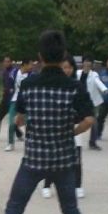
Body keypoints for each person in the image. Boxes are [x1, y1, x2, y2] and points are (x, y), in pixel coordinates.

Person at [0, 31, 96, 214]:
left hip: (34, 160)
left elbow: (19, 119)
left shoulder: (30, 85)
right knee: (71, 211)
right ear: (63, 55)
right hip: (64, 160)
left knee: (14, 210)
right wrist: (71, 132)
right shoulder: (74, 87)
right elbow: (89, 120)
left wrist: (24, 122)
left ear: (39, 56)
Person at [43, 56, 85, 199]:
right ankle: (47, 185)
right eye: (64, 67)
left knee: (77, 157)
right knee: (53, 157)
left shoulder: (77, 86)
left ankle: (78, 185)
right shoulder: (53, 85)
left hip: (75, 125)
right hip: (57, 126)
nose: (66, 70)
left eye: (69, 67)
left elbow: (84, 108)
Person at [77, 56, 108, 150]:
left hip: (90, 102)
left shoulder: (94, 74)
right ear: (83, 63)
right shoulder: (77, 73)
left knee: (94, 123)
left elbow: (98, 82)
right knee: (73, 121)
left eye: (89, 62)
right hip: (78, 101)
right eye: (85, 61)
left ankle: (93, 142)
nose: (87, 64)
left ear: (91, 64)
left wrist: (104, 89)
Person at [5, 59, 35, 152]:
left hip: (27, 101)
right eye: (30, 64)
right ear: (24, 65)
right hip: (14, 100)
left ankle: (30, 143)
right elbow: (9, 84)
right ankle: (10, 143)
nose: (32, 67)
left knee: (29, 123)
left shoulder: (32, 75)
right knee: (11, 123)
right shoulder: (14, 73)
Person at [0, 56, 23, 141]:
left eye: (8, 61)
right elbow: (5, 83)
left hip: (12, 98)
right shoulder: (5, 72)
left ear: (11, 62)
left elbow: (18, 83)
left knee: (12, 119)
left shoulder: (15, 71)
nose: (6, 63)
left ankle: (19, 134)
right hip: (5, 98)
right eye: (5, 61)